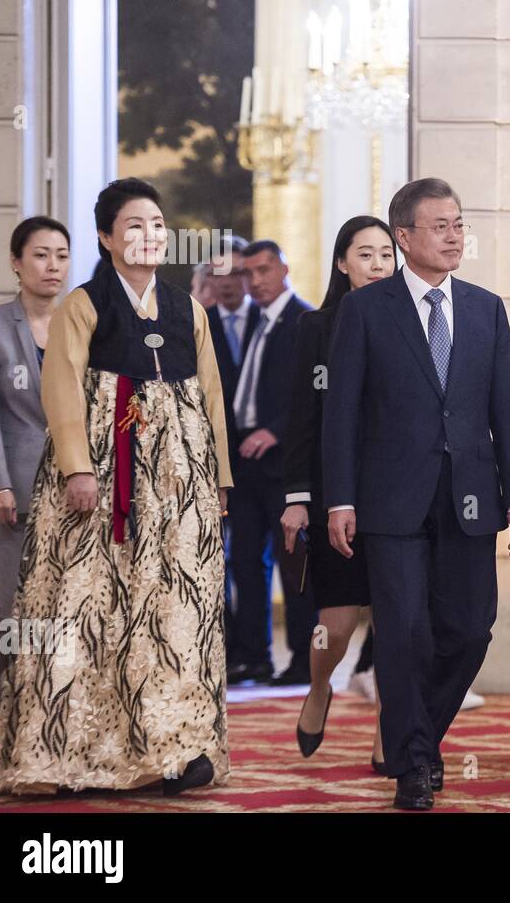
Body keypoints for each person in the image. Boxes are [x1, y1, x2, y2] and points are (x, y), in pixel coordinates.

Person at [0, 177, 232, 795]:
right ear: (106, 236)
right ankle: (69, 749)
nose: (148, 236)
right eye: (133, 226)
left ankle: (173, 747)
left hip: (178, 486)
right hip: (98, 482)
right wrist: (78, 468)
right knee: (85, 605)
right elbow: (61, 388)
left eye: (156, 225)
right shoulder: (84, 304)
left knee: (175, 609)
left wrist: (220, 480)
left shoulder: (189, 309)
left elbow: (211, 398)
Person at [323, 177, 510, 811]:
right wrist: (340, 499)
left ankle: (413, 736)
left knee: (470, 631)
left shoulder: (485, 307)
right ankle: (416, 762)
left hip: (471, 496)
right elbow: (342, 413)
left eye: (458, 223)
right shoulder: (366, 309)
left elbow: (506, 412)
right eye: (439, 225)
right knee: (405, 632)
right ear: (404, 237)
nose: (454, 235)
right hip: (390, 499)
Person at [280, 215, 395, 772]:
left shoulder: (413, 326)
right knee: (339, 624)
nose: (377, 266)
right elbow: (300, 419)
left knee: (400, 623)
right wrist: (297, 497)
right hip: (334, 495)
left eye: (386, 255)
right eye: (365, 254)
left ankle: (387, 733)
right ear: (342, 262)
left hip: (400, 493)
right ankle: (321, 685)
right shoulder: (313, 329)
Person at [0, 217, 70, 746]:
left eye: (60, 255)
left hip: (73, 492)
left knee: (60, 612)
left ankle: (42, 734)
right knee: (16, 612)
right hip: (12, 490)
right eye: (40, 255)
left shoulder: (81, 321)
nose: (52, 266)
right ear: (16, 262)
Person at [228, 239, 315, 686]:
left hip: (286, 465)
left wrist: (275, 430)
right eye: (249, 273)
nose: (255, 281)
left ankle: (303, 659)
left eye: (263, 270)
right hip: (245, 465)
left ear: (284, 268)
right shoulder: (251, 322)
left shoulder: (305, 319)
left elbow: (314, 395)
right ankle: (254, 656)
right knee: (245, 562)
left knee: (293, 564)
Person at [204, 236, 260, 672]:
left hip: (262, 465)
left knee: (252, 560)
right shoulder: (197, 324)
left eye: (235, 272)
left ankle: (255, 653)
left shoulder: (269, 318)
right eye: (216, 274)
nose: (226, 283)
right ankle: (220, 652)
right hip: (212, 463)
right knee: (211, 560)